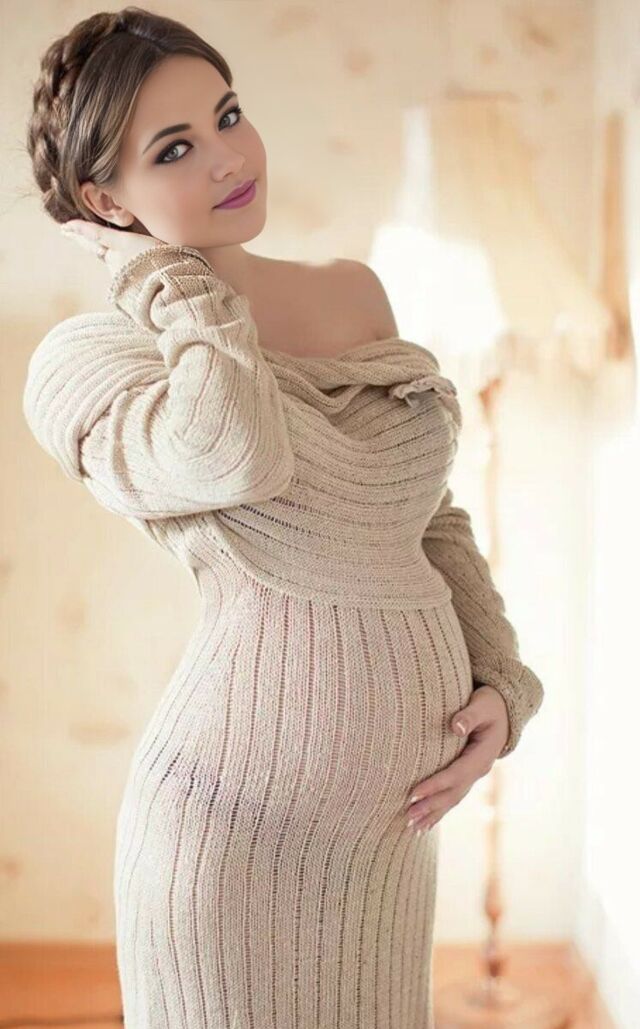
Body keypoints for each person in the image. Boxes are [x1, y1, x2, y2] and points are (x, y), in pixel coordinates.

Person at [22, 7, 544, 1028]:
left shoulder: (353, 293)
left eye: (227, 116)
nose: (228, 158)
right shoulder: (89, 362)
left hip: (387, 841)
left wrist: (498, 676)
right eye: (174, 149)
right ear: (104, 202)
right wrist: (168, 276)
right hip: (228, 840)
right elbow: (233, 452)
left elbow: (424, 513)